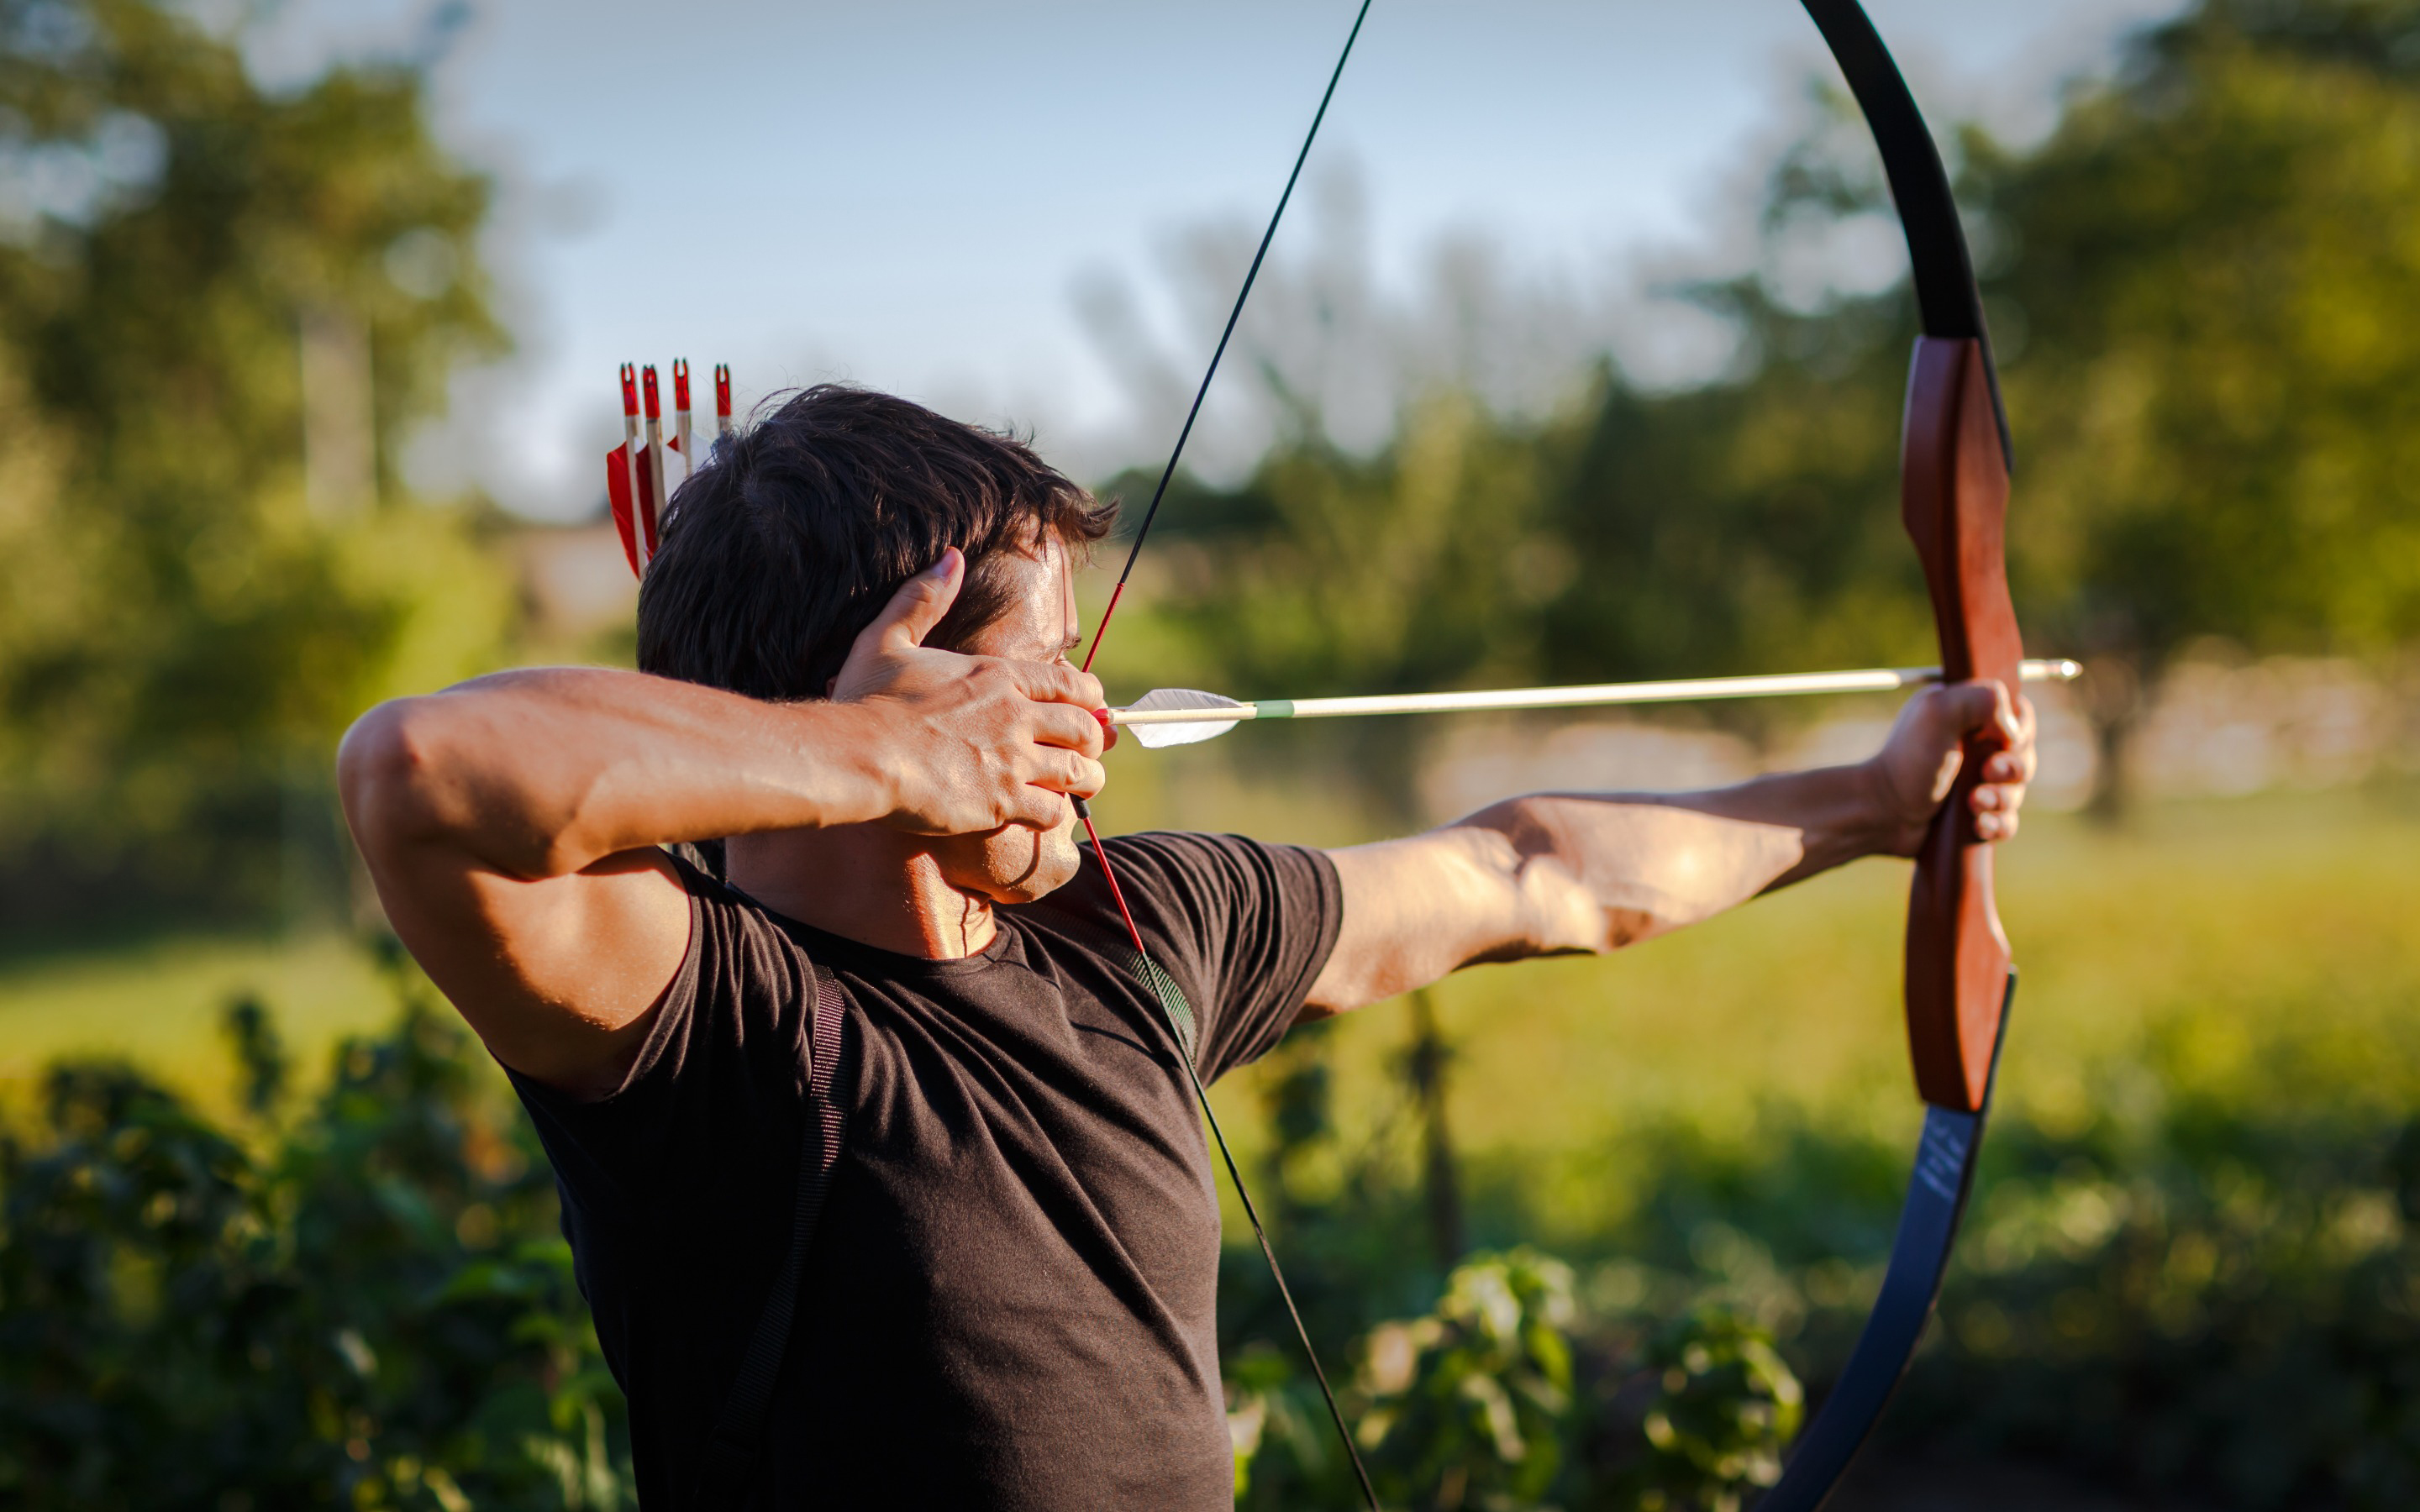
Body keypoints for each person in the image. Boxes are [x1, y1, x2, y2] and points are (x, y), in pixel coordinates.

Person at [338, 385, 2035, 1510]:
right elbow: (420, 772)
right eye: (1042, 665)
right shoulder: (712, 1023)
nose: (1089, 710)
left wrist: (1884, 802)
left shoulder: (1138, 931)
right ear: (901, 691)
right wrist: (886, 762)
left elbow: (1535, 874)